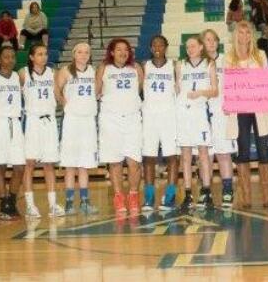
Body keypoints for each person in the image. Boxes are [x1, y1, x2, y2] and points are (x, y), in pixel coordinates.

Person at [226, 21, 268, 208]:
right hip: (240, 109)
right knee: (243, 150)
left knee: (264, 151)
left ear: (251, 35)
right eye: (241, 32)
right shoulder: (229, 57)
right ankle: (245, 196)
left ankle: (267, 195)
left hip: (260, 107)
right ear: (236, 35)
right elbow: (227, 85)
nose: (244, 36)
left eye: (248, 32)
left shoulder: (260, 55)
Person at [97, 38, 144, 214]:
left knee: (134, 161)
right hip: (110, 119)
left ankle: (133, 195)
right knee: (115, 161)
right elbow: (97, 90)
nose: (123, 52)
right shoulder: (104, 68)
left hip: (132, 118)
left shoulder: (136, 68)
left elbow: (139, 89)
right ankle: (118, 197)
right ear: (111, 52)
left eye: (126, 49)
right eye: (119, 50)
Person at [57, 42, 100, 215]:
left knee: (84, 164)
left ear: (90, 55)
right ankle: (68, 202)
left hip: (88, 120)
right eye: (80, 52)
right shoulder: (65, 71)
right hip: (72, 121)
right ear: (74, 54)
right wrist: (64, 103)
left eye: (86, 52)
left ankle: (84, 201)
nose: (83, 55)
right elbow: (57, 91)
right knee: (70, 164)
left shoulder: (94, 71)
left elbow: (98, 91)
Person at [21, 44, 63, 218]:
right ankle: (30, 206)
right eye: (39, 54)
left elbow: (58, 96)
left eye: (45, 54)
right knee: (29, 164)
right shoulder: (23, 73)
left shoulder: (52, 73)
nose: (44, 57)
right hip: (31, 121)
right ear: (31, 57)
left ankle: (53, 205)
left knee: (49, 164)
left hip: (49, 120)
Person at [176, 35, 217, 211]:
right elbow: (177, 89)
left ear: (201, 47)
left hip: (200, 112)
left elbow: (215, 91)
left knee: (203, 153)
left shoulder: (209, 64)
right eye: (187, 47)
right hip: (183, 113)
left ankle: (206, 191)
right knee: (185, 154)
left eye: (193, 46)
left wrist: (200, 92)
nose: (190, 49)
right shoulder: (179, 65)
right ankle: (187, 193)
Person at [141, 36, 180, 212]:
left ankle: (170, 195)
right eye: (154, 44)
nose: (157, 47)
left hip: (169, 116)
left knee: (172, 156)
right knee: (149, 157)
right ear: (150, 48)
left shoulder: (174, 66)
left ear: (166, 47)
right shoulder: (144, 66)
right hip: (149, 116)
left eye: (161, 44)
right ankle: (149, 197)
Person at [203, 29, 238, 208]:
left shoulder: (227, 60)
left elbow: (236, 84)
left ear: (218, 42)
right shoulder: (198, 63)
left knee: (224, 154)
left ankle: (227, 189)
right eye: (207, 40)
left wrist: (232, 105)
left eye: (213, 40)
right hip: (202, 114)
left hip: (223, 113)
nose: (211, 43)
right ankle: (205, 191)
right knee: (205, 156)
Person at [0, 45, 25, 220]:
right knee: (0, 165)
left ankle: (11, 199)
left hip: (15, 123)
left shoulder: (17, 77)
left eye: (12, 56)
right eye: (6, 57)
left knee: (20, 166)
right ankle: (4, 202)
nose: (10, 60)